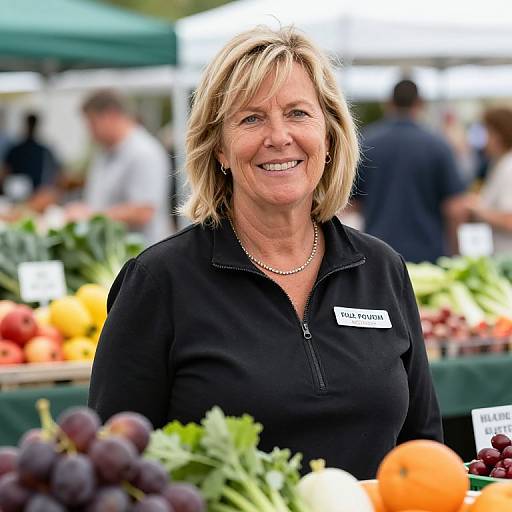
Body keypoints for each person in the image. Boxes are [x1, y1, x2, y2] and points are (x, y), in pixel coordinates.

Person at [88, 27, 442, 480]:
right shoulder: (159, 281)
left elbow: (425, 446)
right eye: (251, 119)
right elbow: (113, 468)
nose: (279, 137)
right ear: (219, 148)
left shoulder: (381, 269)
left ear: (329, 135)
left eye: (298, 113)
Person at [352, 79, 468, 263]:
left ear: (389, 103)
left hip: (378, 252)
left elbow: (351, 202)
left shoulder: (366, 144)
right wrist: (455, 252)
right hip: (428, 255)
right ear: (420, 103)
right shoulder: (438, 145)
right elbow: (455, 208)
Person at [70, 90, 171, 246]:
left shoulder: (144, 152)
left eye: (92, 122)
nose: (89, 131)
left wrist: (90, 216)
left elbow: (144, 211)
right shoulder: (104, 152)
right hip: (116, 253)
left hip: (141, 256)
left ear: (111, 115)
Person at [467, 107, 512, 254]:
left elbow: (509, 220)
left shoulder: (508, 167)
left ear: (498, 134)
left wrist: (476, 209)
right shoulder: (498, 163)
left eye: (486, 132)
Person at [2, 113, 61, 194]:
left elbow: (5, 171)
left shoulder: (16, 149)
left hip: (34, 193)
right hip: (20, 191)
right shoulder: (43, 150)